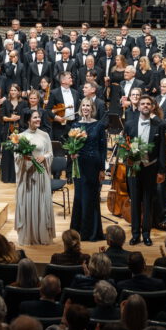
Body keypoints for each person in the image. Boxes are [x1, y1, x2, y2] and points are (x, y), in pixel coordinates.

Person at [124, 95, 166, 246]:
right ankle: (135, 234)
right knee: (135, 201)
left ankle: (146, 234)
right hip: (134, 169)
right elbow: (124, 145)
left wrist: (161, 171)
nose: (145, 106)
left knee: (148, 202)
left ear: (152, 107)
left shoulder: (159, 125)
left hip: (151, 168)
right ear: (138, 106)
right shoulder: (129, 124)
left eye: (148, 104)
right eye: (143, 104)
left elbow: (162, 149)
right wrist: (127, 159)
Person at [69, 97, 108, 242]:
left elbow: (103, 148)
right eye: (83, 105)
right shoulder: (75, 125)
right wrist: (71, 153)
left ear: (92, 108)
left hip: (93, 165)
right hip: (79, 165)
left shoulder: (99, 125)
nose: (86, 108)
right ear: (81, 108)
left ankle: (90, 232)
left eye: (88, 106)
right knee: (79, 197)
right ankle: (78, 230)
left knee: (91, 197)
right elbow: (71, 145)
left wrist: (102, 169)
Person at [14, 109, 55, 246]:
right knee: (27, 203)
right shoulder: (20, 137)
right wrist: (24, 157)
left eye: (39, 117)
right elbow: (16, 157)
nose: (38, 120)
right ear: (28, 120)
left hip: (41, 174)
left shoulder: (45, 135)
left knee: (42, 203)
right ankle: (28, 236)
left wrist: (44, 157)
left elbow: (50, 153)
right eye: (35, 117)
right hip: (27, 176)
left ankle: (42, 235)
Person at [0, 84, 25, 184]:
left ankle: (17, 177)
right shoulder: (6, 102)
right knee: (7, 153)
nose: (13, 92)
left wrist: (19, 117)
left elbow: (25, 116)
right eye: (11, 90)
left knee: (18, 153)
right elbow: (2, 117)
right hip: (8, 131)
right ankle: (7, 177)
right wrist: (11, 119)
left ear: (18, 92)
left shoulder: (23, 103)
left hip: (20, 130)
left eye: (15, 90)